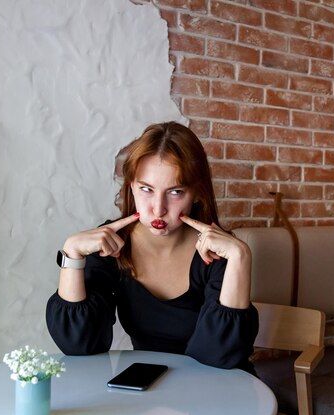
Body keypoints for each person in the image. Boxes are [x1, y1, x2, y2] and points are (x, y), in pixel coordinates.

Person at [46, 121, 258, 373]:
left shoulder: (219, 251)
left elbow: (220, 358)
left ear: (197, 193)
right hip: (150, 387)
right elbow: (79, 345)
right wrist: (72, 254)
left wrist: (241, 256)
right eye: (147, 189)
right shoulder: (110, 244)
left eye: (176, 192)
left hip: (219, 392)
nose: (158, 208)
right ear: (131, 187)